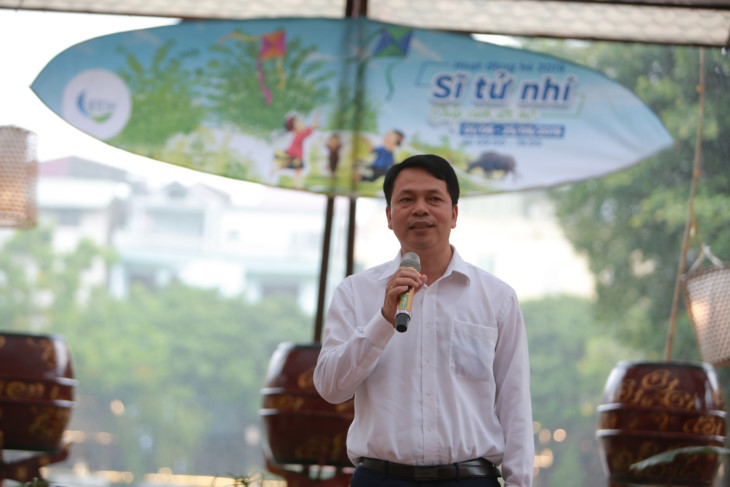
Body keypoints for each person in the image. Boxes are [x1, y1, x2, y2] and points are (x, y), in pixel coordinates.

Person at [313, 154, 534, 486]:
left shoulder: (496, 298)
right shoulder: (355, 293)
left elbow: (515, 404)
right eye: (406, 199)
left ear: (454, 214)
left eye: (433, 199)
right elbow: (331, 388)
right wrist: (383, 320)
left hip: (469, 478)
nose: (420, 209)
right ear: (389, 216)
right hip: (381, 478)